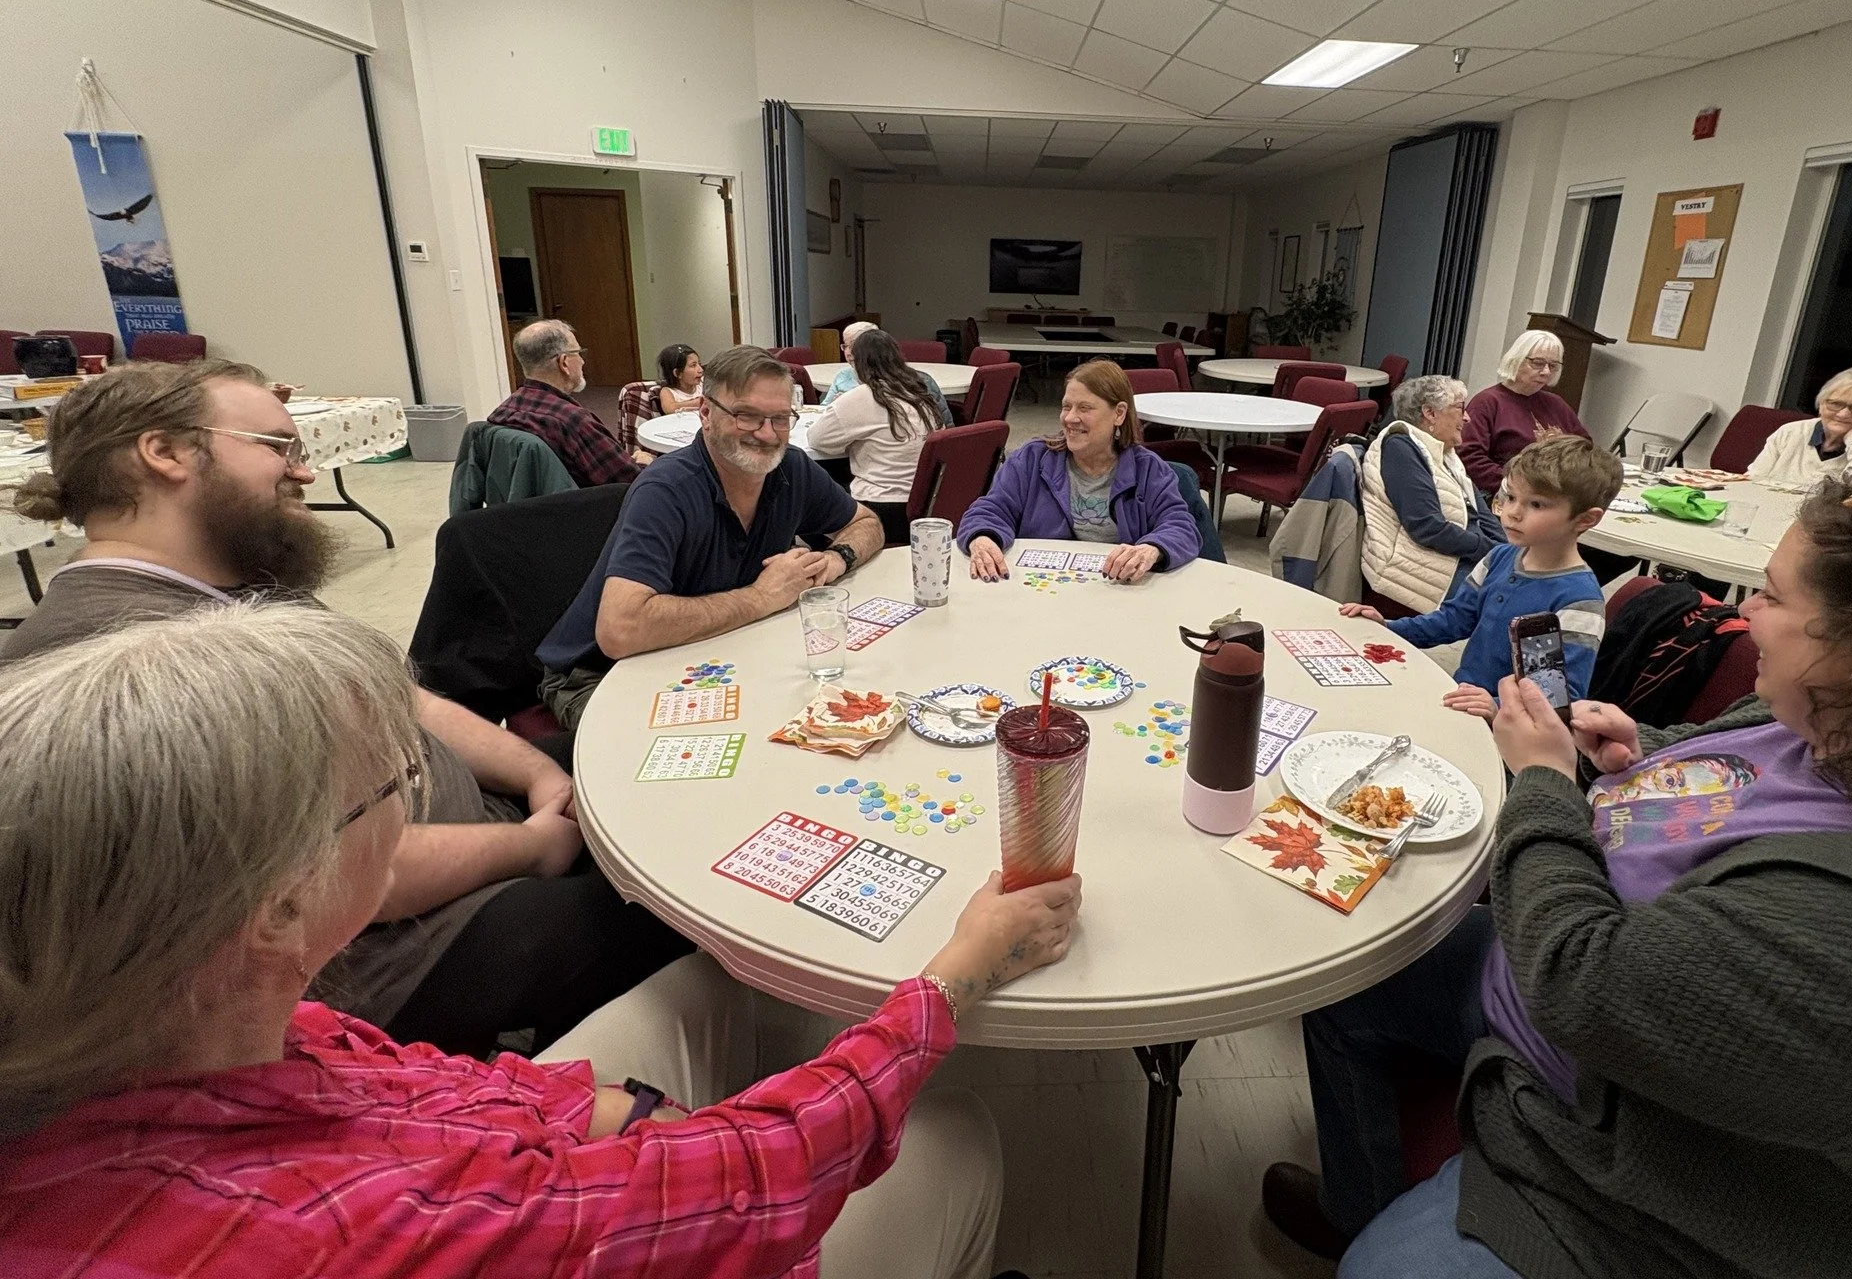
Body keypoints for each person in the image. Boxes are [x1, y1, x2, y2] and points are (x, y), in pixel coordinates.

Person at [0, 601, 1082, 1279]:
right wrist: (954, 972)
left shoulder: (218, 1016)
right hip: (539, 1204)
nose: (417, 793)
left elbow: (416, 1090)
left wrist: (622, 1117)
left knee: (706, 990)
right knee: (956, 1138)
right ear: (283, 903)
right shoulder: (353, 1232)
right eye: (395, 783)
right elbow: (782, 1166)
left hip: (514, 1163)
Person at [1264, 474, 1852, 1278]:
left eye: (1773, 599)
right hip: (1582, 990)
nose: (1746, 619)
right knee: (1357, 976)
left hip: (1647, 1166)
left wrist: (1543, 784)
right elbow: (1734, 775)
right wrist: (1642, 754)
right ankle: (1351, 1200)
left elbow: (1582, 985)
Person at [0, 360, 688, 1054]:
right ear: (165, 452)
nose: (303, 474)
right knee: (673, 907)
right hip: (405, 948)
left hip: (460, 826)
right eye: (278, 447)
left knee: (640, 748)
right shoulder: (130, 670)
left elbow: (402, 697)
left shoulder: (230, 581)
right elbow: (342, 876)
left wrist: (538, 776)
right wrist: (534, 846)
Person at [538, 346, 885, 731]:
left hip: (709, 650)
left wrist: (837, 557)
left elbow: (867, 523)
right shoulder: (666, 490)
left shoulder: (791, 468)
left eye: (780, 418)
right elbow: (620, 630)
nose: (767, 434)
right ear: (705, 413)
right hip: (599, 674)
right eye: (746, 416)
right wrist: (760, 597)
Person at [1342, 435, 1617, 720]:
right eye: (1510, 497)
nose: (1513, 513)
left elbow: (1559, 697)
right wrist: (1388, 627)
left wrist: (1498, 705)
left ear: (1585, 519)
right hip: (1463, 700)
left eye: (1536, 505)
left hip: (1513, 731)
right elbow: (1453, 620)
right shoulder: (1498, 558)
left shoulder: (1577, 600)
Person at [956, 358, 1201, 585]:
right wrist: (982, 537)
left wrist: (1151, 549)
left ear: (1119, 413)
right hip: (1040, 591)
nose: (1071, 418)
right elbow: (990, 509)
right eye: (1066, 406)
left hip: (1119, 593)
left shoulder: (1148, 469)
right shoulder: (1031, 459)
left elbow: (1180, 526)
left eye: (1084, 408)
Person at [1358, 374, 1503, 613]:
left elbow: (1481, 514)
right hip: (1418, 571)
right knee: (1521, 606)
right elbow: (1427, 527)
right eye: (1459, 408)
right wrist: (1493, 552)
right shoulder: (1401, 447)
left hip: (1455, 560)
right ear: (1430, 413)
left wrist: (1505, 552)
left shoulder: (1446, 455)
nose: (1467, 417)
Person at [807, 328, 948, 546]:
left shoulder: (861, 397)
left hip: (878, 507)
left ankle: (842, 555)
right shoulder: (918, 393)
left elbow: (816, 439)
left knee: (804, 502)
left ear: (859, 364)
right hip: (924, 502)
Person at [487, 318, 643, 487]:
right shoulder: (572, 421)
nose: (582, 361)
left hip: (531, 507)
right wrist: (643, 461)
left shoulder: (501, 413)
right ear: (564, 362)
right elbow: (629, 479)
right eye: (578, 352)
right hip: (588, 507)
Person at [1457, 330, 1589, 496]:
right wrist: (1518, 485)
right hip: (1506, 494)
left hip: (1557, 493)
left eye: (1553, 366)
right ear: (1515, 360)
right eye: (1538, 363)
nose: (1546, 372)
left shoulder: (1556, 403)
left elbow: (1585, 447)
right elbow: (1470, 457)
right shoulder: (1487, 402)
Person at [1747, 366, 1852, 485]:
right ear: (1820, 404)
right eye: (1835, 404)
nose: (1843, 414)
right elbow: (1752, 481)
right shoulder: (1790, 433)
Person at [820, 320, 947, 413]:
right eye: (845, 346)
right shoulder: (843, 376)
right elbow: (822, 411)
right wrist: (834, 406)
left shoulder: (917, 381)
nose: (848, 353)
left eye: (855, 346)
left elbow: (943, 423)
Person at [657, 341, 705, 414]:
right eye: (693, 365)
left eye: (699, 364)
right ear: (677, 373)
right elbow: (669, 409)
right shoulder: (668, 391)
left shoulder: (703, 383)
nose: (701, 370)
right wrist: (699, 402)